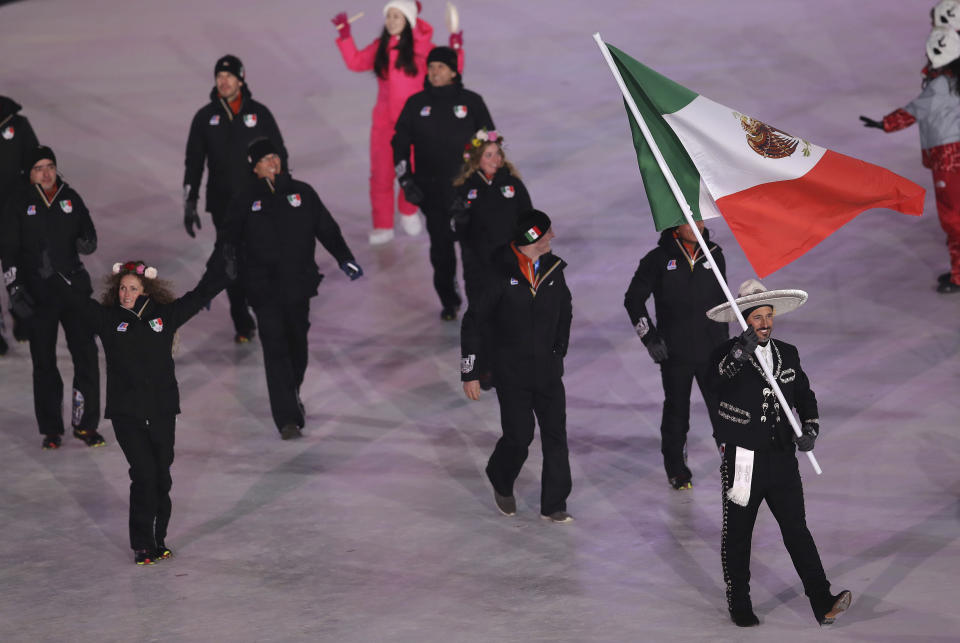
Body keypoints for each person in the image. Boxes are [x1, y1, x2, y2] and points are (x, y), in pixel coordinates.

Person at [69, 251, 233, 564]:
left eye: (131, 288)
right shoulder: (108, 320)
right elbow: (78, 302)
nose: (125, 294)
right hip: (126, 413)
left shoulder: (165, 317)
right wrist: (51, 277)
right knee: (143, 474)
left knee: (161, 476)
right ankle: (142, 544)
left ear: (146, 291)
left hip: (161, 410)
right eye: (122, 288)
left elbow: (198, 296)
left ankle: (158, 540)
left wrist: (225, 275)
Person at [705, 279, 852, 627]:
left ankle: (822, 600)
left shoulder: (788, 353)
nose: (766, 323)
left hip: (782, 459)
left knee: (797, 531)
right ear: (744, 320)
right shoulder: (725, 356)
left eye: (769, 316)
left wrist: (810, 429)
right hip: (743, 461)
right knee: (738, 533)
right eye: (757, 317)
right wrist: (740, 353)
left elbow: (804, 396)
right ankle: (739, 602)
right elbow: (716, 385)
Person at [221, 138, 363, 440]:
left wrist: (345, 258)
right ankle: (287, 418)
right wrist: (222, 274)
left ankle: (292, 390)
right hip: (262, 289)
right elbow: (228, 240)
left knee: (297, 346)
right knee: (275, 349)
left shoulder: (303, 193)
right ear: (255, 167)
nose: (273, 162)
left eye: (276, 156)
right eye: (266, 159)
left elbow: (327, 228)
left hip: (298, 285)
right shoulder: (245, 199)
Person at [461, 209, 573, 523]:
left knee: (555, 436)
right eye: (547, 232)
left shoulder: (553, 270)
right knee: (520, 436)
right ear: (530, 239)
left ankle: (554, 504)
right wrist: (470, 372)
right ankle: (500, 474)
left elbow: (565, 309)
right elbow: (473, 323)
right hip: (512, 375)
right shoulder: (498, 274)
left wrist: (559, 347)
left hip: (549, 372)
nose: (552, 237)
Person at [332, 1, 464, 244]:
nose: (391, 21)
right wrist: (345, 36)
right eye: (389, 16)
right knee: (381, 175)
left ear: (409, 20)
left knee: (412, 172)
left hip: (415, 125)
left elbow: (449, 72)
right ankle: (383, 225)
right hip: (383, 125)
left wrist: (456, 45)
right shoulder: (381, 47)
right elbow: (356, 62)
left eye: (397, 16)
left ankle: (408, 210)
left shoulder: (423, 49)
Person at [0, 145, 104, 449]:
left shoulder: (70, 198)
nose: (46, 173)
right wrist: (14, 287)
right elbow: (8, 251)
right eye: (39, 168)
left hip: (74, 292)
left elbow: (89, 236)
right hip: (39, 296)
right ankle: (51, 429)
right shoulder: (18, 203)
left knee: (86, 358)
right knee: (43, 363)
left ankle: (86, 426)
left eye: (50, 166)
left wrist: (87, 242)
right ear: (29, 174)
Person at [183, 54, 288, 342]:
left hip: (259, 204)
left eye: (229, 76)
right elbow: (194, 162)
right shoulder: (205, 118)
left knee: (259, 260)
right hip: (223, 206)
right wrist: (189, 200)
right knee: (231, 263)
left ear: (241, 80)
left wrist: (282, 191)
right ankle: (242, 321)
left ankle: (266, 313)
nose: (223, 81)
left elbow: (279, 155)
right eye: (219, 77)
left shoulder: (260, 114)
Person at [623, 221, 729, 490]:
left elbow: (723, 303)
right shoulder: (657, 259)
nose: (696, 226)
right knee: (677, 413)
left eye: (700, 219)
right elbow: (633, 300)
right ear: (675, 227)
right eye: (687, 221)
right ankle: (677, 470)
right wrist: (650, 338)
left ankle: (735, 468)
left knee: (725, 412)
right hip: (676, 354)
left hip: (713, 352)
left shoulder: (715, 253)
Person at [391, 45, 494, 320]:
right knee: (441, 252)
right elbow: (398, 144)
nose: (434, 72)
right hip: (432, 193)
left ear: (453, 71)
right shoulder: (416, 104)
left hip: (470, 191)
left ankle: (480, 302)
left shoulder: (472, 102)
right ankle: (449, 301)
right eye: (432, 66)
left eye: (441, 67)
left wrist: (488, 179)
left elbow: (490, 140)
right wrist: (405, 180)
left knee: (473, 250)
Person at [860, 22, 960, 293]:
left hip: (948, 158)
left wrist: (885, 124)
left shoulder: (940, 85)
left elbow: (914, 111)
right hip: (952, 154)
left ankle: (959, 274)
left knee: (953, 217)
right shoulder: (951, 80)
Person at [451, 129, 532, 306]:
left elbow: (529, 218)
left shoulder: (513, 184)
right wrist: (460, 220)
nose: (496, 160)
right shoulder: (464, 188)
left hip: (510, 258)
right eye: (489, 155)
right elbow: (454, 231)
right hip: (478, 262)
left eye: (497, 154)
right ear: (476, 159)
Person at [0, 95, 40, 354]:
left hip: (14, 212)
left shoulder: (19, 124)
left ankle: (21, 314)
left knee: (18, 265)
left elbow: (34, 164)